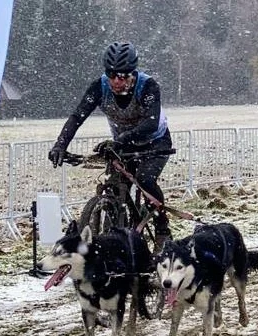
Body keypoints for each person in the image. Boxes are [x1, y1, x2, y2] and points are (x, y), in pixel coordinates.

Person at [48, 41, 173, 249]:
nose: (116, 81)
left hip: (155, 142)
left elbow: (151, 123)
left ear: (133, 73)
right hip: (124, 143)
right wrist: (60, 144)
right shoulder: (100, 86)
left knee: (145, 179)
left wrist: (120, 140)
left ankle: (162, 228)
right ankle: (115, 230)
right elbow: (77, 116)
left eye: (123, 76)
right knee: (116, 186)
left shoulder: (148, 86)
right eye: (111, 74)